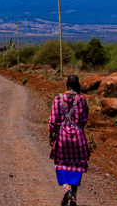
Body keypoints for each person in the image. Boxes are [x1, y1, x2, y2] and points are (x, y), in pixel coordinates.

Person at [48, 74, 90, 206]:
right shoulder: (81, 100)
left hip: (62, 136)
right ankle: (74, 198)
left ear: (66, 85)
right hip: (78, 136)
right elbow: (84, 119)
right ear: (78, 86)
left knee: (61, 163)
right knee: (77, 165)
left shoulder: (58, 99)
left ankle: (66, 190)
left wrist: (51, 134)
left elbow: (53, 121)